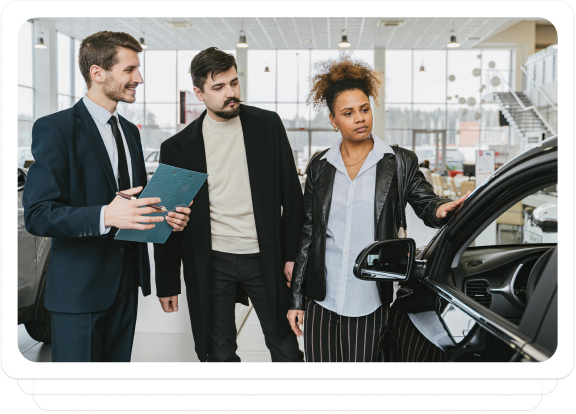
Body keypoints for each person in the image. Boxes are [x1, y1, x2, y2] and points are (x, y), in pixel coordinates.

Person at [286, 55, 469, 362]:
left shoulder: (398, 161)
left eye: (364, 109)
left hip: (370, 298)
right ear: (333, 120)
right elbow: (308, 235)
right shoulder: (320, 165)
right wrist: (296, 300)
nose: (360, 118)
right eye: (348, 113)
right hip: (322, 298)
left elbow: (425, 201)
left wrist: (439, 209)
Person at [22, 31, 191, 362]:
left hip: (125, 287)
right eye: (129, 70)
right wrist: (104, 216)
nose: (138, 78)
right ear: (97, 73)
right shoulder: (56, 129)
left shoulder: (129, 132)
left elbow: (135, 204)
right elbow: (38, 214)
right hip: (79, 293)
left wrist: (166, 216)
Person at [153, 47, 305, 362]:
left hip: (265, 256)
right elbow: (168, 222)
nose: (231, 93)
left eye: (234, 83)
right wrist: (167, 283)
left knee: (286, 348)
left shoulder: (268, 125)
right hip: (211, 261)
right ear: (198, 93)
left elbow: (292, 198)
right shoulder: (178, 148)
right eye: (219, 87)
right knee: (219, 352)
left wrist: (292, 257)